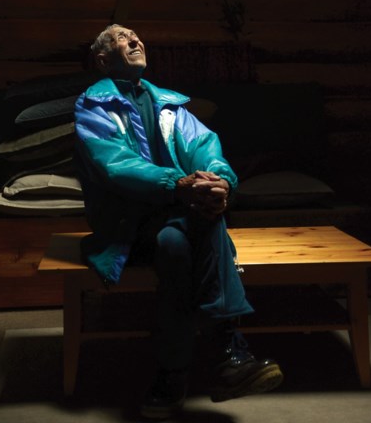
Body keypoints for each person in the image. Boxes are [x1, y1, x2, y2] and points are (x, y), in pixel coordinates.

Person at [72, 24, 283, 419]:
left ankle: (173, 373)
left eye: (136, 36)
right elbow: (114, 166)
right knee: (194, 229)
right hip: (127, 224)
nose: (135, 41)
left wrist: (219, 181)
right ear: (102, 60)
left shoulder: (171, 105)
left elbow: (205, 147)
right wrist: (178, 184)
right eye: (122, 38)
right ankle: (229, 351)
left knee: (177, 242)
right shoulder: (93, 107)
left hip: (176, 219)